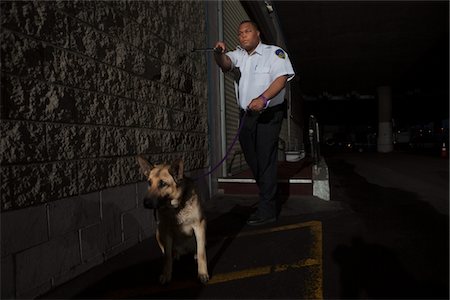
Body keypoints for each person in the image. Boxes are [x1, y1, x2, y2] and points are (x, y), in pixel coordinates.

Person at [214, 20, 295, 226]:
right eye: (240, 33)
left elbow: (281, 78)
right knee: (253, 159)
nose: (243, 35)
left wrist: (264, 98)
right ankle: (270, 195)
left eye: (247, 31)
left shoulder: (274, 53)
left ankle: (267, 209)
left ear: (257, 33)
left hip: (269, 114)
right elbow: (225, 63)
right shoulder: (239, 55)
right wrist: (218, 53)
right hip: (247, 116)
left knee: (265, 158)